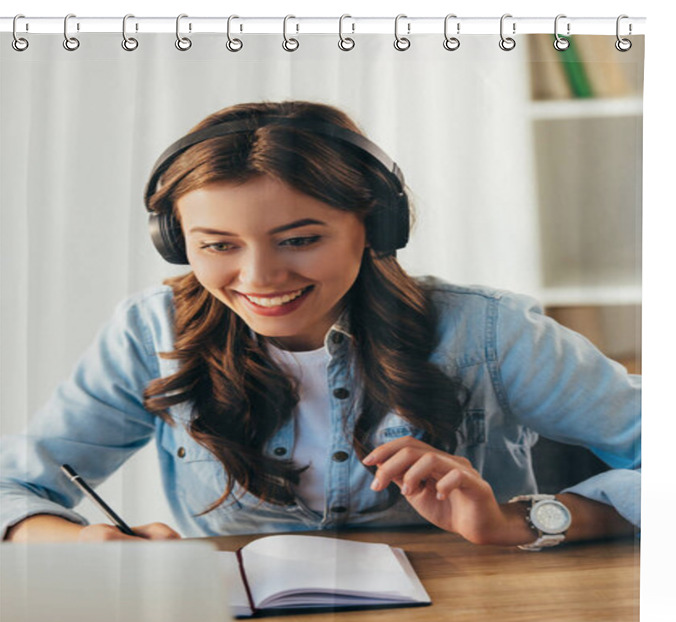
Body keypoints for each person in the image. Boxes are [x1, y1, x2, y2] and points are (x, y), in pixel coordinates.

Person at [0, 101, 640, 548]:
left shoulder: (490, 332)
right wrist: (85, 546)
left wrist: (515, 522)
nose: (260, 278)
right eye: (218, 246)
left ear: (376, 227)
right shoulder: (149, 333)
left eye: (300, 238)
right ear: (176, 243)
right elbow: (14, 489)